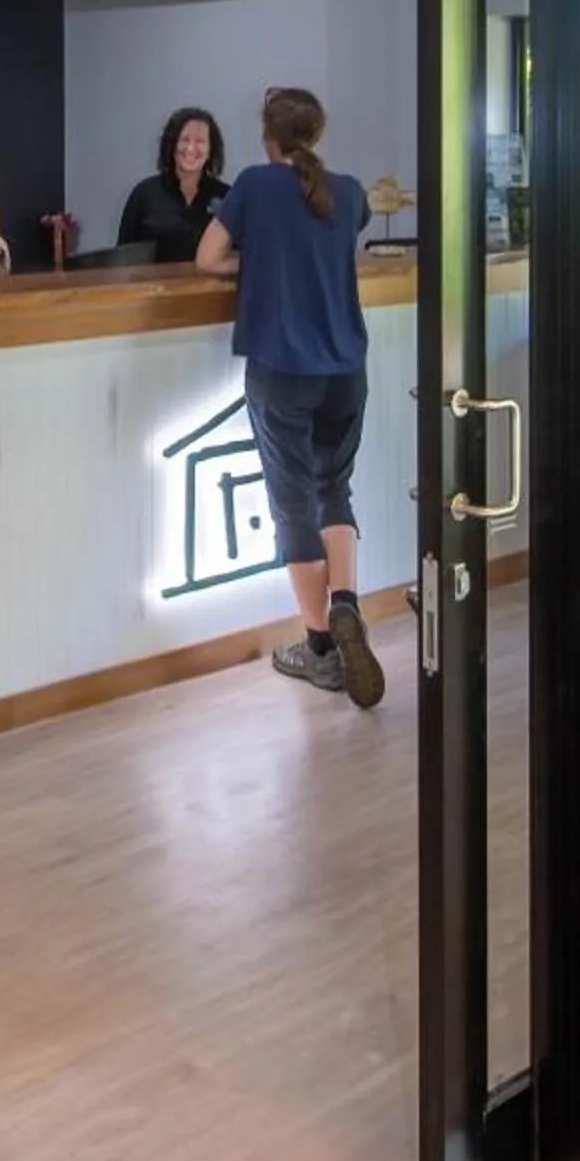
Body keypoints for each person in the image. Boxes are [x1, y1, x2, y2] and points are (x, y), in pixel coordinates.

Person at [197, 86, 384, 709]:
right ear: (317, 133)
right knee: (335, 489)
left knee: (292, 503)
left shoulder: (253, 185)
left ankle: (320, 648)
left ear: (267, 136)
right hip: (345, 370)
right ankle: (348, 605)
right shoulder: (351, 191)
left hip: (282, 369)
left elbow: (206, 260)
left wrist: (256, 262)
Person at [117, 107, 229, 262]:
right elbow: (122, 258)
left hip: (212, 286)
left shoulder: (227, 196)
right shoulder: (143, 194)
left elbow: (238, 254)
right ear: (171, 144)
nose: (191, 149)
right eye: (184, 140)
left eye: (200, 141)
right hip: (152, 285)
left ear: (211, 149)